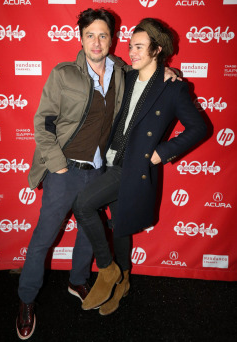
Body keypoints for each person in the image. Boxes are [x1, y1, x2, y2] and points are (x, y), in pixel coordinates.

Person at [16, 9, 178, 340]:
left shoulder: (121, 71)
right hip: (64, 170)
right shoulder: (63, 74)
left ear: (112, 40)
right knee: (43, 238)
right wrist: (57, 163)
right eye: (90, 35)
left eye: (103, 35)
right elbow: (43, 122)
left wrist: (169, 72)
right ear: (80, 38)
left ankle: (78, 280)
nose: (97, 41)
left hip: (99, 170)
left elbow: (149, 74)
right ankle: (26, 300)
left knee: (89, 234)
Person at [72, 18, 207, 315]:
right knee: (120, 226)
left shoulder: (172, 87)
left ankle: (107, 270)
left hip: (133, 168)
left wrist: (162, 152)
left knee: (83, 206)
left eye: (139, 47)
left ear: (157, 50)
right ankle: (124, 281)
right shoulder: (127, 76)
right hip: (109, 159)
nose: (132, 52)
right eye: (131, 45)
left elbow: (200, 127)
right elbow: (109, 60)